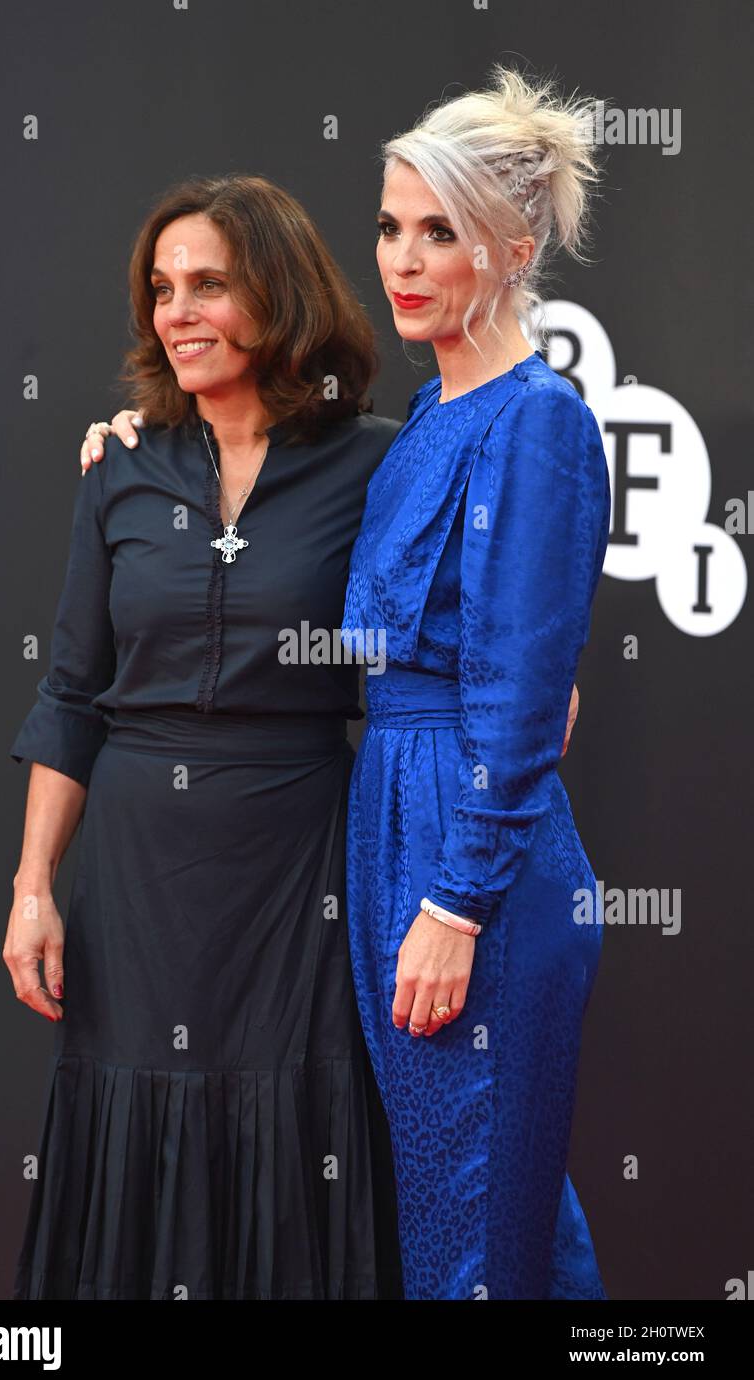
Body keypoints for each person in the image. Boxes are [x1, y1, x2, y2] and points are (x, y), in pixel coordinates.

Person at [4, 173, 407, 1300]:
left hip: (299, 866)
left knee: (298, 1112)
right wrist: (35, 882)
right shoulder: (119, 467)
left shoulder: (378, 463)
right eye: (161, 290)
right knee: (135, 1111)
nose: (175, 312)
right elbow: (74, 690)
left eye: (209, 286)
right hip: (137, 870)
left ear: (276, 297)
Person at [342, 66, 611, 1298]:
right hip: (399, 829)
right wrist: (131, 433)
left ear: (507, 248)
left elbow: (517, 697)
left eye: (437, 232)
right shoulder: (424, 418)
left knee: (477, 1248)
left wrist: (453, 905)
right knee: (500, 1232)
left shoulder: (535, 417)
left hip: (473, 873)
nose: (403, 257)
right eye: (392, 225)